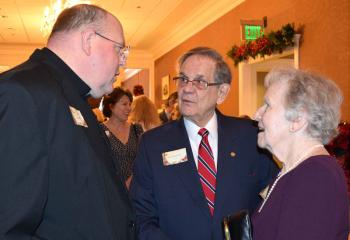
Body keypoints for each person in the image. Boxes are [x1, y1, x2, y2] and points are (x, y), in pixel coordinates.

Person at [0, 4, 136, 239]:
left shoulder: (72, 96)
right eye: (119, 50)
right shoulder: (23, 92)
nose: (122, 62)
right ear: (89, 40)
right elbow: (9, 226)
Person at [129, 47, 278, 240]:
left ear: (222, 92)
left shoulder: (249, 136)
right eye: (183, 79)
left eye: (199, 82)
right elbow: (141, 216)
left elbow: (275, 198)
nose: (187, 89)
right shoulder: (153, 144)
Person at [252, 68, 349, 240]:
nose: (256, 114)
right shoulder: (294, 170)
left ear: (298, 120)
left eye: (267, 105)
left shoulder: (316, 177)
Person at [101, 87, 143, 189]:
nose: (129, 108)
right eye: (124, 104)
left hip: (136, 188)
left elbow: (144, 159)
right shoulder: (100, 130)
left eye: (129, 104)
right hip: (112, 189)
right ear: (111, 106)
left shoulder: (136, 129)